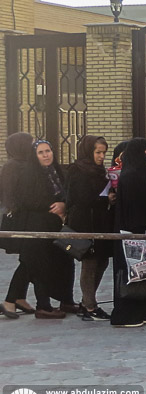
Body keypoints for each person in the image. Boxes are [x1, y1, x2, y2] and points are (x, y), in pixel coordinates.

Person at [111, 138, 146, 327]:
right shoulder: (132, 175)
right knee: (131, 272)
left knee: (143, 272)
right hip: (134, 231)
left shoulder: (140, 172)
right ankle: (126, 314)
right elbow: (138, 204)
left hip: (143, 230)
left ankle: (140, 310)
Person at [20, 140, 75, 319]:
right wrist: (51, 206)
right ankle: (43, 306)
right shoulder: (29, 174)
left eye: (48, 151)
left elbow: (67, 193)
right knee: (41, 266)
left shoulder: (58, 171)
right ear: (34, 156)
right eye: (41, 152)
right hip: (38, 225)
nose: (46, 155)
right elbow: (27, 200)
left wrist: (64, 204)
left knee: (66, 262)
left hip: (58, 225)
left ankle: (66, 300)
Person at [66, 135, 113, 321]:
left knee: (102, 261)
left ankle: (87, 302)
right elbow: (81, 198)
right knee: (90, 263)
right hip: (85, 222)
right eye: (98, 152)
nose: (101, 157)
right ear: (88, 151)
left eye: (104, 153)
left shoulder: (100, 171)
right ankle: (90, 306)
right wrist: (104, 198)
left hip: (99, 221)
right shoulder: (77, 170)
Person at [0, 132, 36, 318]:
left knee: (29, 258)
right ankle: (9, 301)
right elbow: (14, 195)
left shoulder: (23, 164)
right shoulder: (14, 166)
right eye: (31, 143)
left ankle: (19, 297)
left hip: (26, 217)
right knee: (30, 258)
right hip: (21, 219)